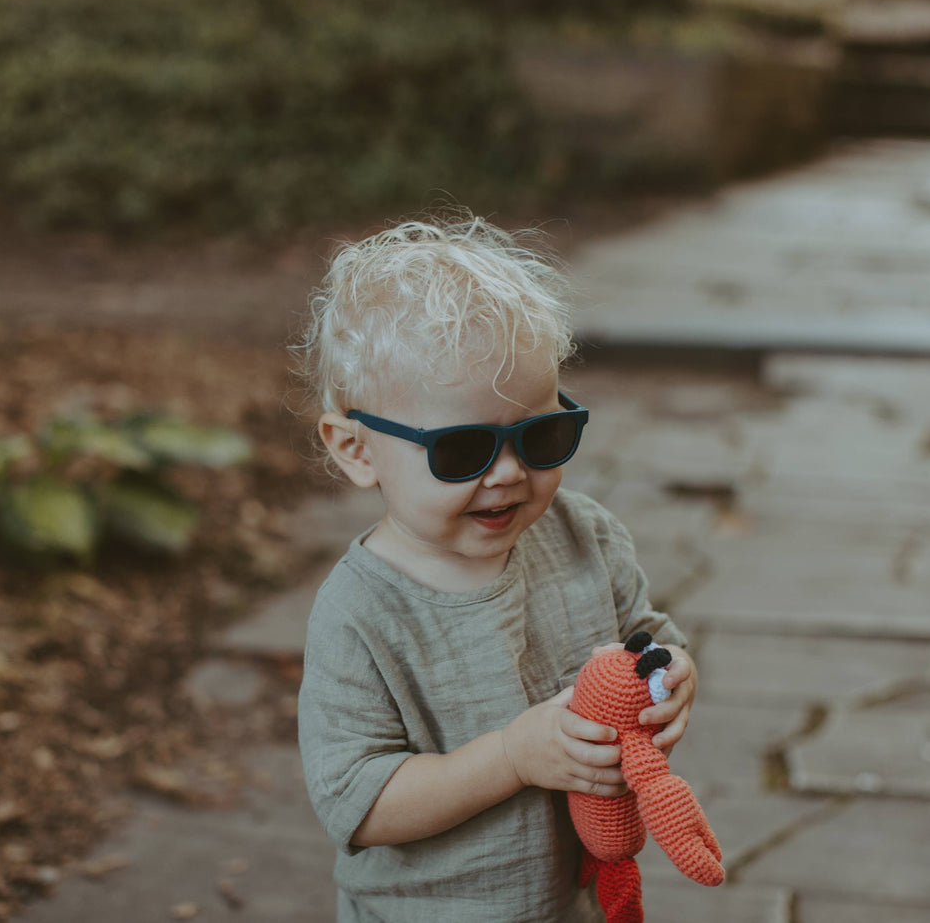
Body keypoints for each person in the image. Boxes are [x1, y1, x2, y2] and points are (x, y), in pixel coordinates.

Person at [293, 211, 697, 922]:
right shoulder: (360, 612)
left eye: (540, 435)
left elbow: (644, 636)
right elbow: (357, 803)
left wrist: (668, 675)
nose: (508, 473)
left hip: (571, 897)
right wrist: (512, 757)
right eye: (461, 450)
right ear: (357, 450)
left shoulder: (583, 536)